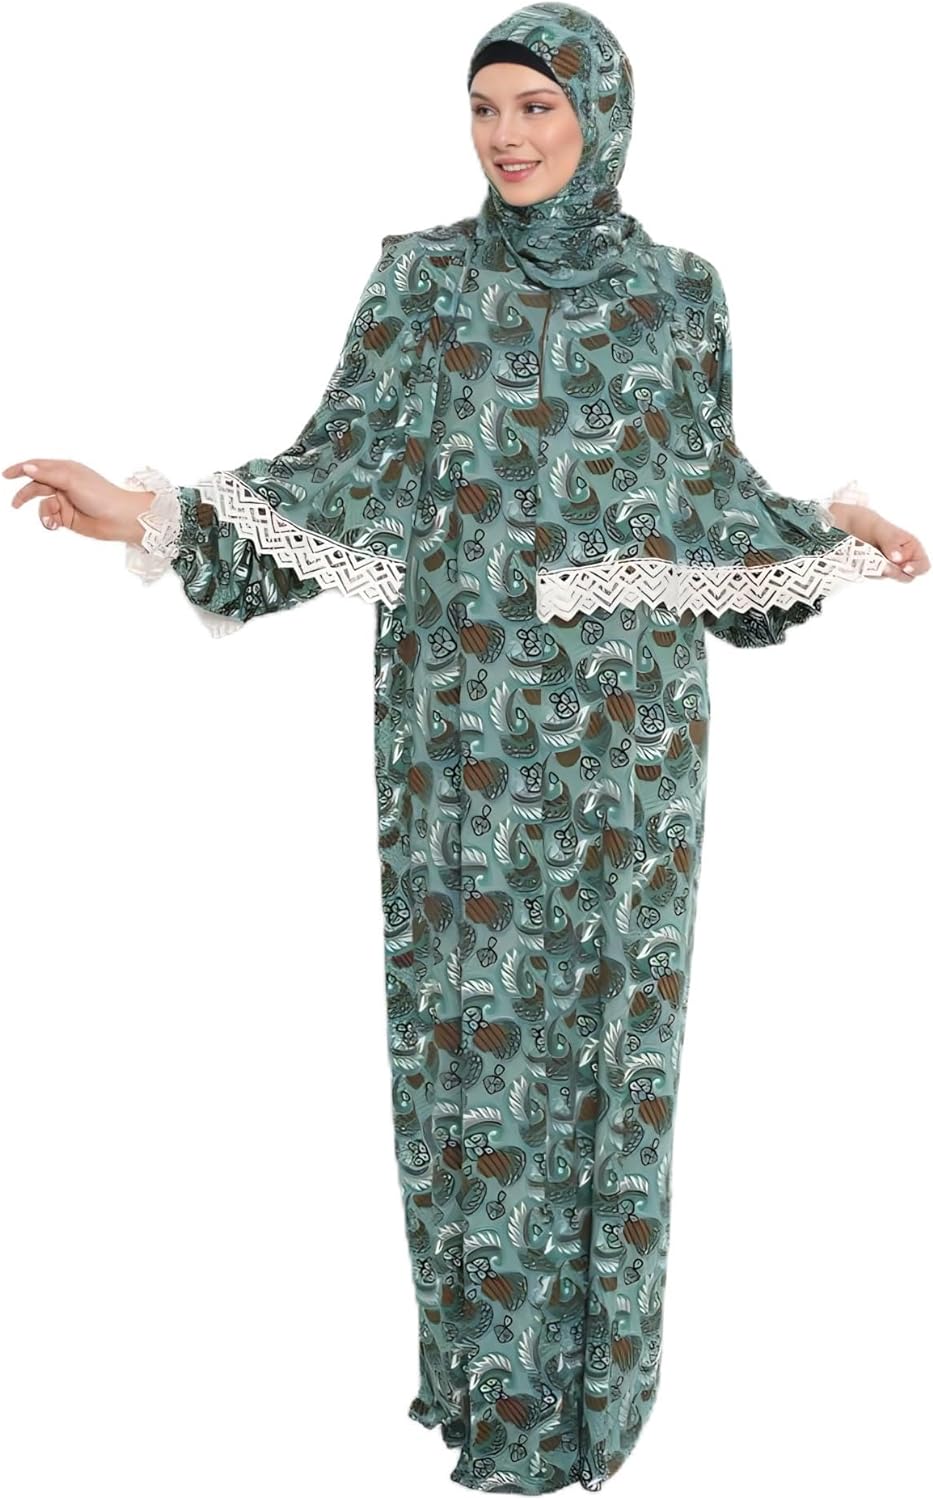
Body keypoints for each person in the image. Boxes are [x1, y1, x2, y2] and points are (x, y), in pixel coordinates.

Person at [4, 3, 927, 1492]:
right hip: (457, 731)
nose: (506, 135)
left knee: (612, 1046)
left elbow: (703, 496)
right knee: (470, 1048)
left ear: (600, 115)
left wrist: (829, 529)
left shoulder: (679, 294)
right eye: (485, 107)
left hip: (631, 741)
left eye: (536, 107)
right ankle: (498, 1402)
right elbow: (334, 480)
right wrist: (149, 516)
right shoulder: (421, 283)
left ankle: (597, 1403)